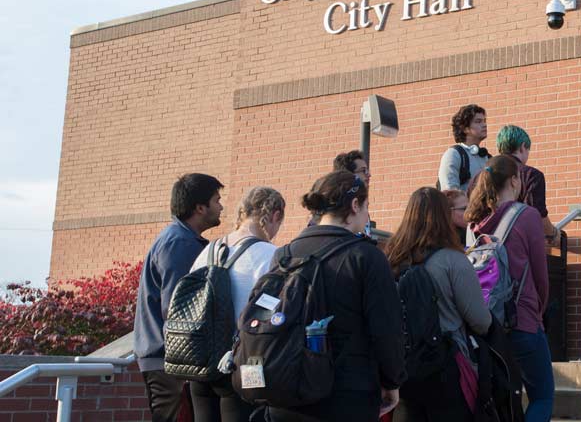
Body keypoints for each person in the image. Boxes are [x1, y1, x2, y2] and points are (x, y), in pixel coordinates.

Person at [265, 171, 406, 422]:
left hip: (285, 391)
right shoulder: (367, 257)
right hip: (346, 395)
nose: (366, 214)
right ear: (354, 205)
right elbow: (387, 330)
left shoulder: (284, 255)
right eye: (366, 206)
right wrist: (392, 381)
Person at [385, 188, 492, 422]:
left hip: (403, 368)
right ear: (444, 216)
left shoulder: (391, 259)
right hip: (447, 367)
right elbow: (481, 321)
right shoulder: (453, 260)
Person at [466, 154, 552, 422]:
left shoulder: (475, 223)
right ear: (515, 180)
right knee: (542, 396)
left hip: (488, 325)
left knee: (504, 398)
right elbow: (541, 276)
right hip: (523, 320)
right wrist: (539, 312)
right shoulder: (527, 215)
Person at [188, 186, 285, 422]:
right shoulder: (271, 254)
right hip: (242, 364)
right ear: (274, 216)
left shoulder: (208, 250)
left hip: (198, 362)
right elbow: (272, 314)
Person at [134, 173, 224, 422]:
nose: (221, 206)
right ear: (199, 207)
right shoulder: (179, 243)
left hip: (170, 360)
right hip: (170, 363)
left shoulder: (180, 239)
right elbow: (179, 309)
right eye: (217, 200)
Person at [495, 124, 559, 245]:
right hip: (517, 244)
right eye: (528, 149)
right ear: (522, 147)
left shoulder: (482, 173)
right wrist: (553, 233)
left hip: (484, 247)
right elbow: (536, 215)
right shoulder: (531, 175)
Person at [438, 104, 490, 192]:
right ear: (465, 129)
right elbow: (449, 192)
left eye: (484, 121)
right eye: (478, 121)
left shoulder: (487, 158)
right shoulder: (454, 154)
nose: (484, 125)